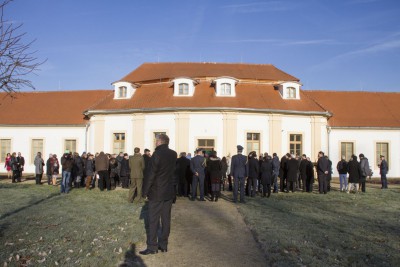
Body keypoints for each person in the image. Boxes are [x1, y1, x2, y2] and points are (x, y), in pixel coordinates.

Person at [140, 134, 177, 255]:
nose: (155, 143)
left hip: (156, 192)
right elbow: (172, 173)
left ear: (160, 142)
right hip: (168, 191)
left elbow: (151, 174)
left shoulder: (157, 154)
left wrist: (144, 192)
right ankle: (163, 245)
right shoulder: (173, 154)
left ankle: (152, 247)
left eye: (156, 141)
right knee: (166, 219)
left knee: (153, 220)